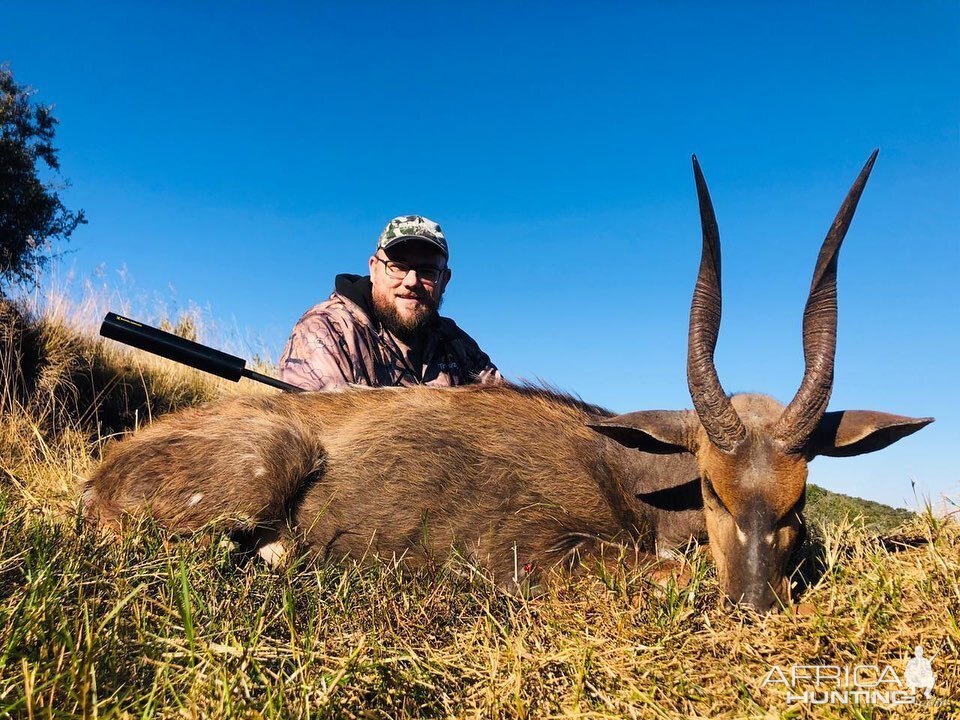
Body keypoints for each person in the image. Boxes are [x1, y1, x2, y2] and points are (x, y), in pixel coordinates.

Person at [279, 215, 500, 391]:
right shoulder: (328, 331)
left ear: (444, 280)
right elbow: (325, 431)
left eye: (427, 272)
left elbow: (505, 413)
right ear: (374, 269)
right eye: (398, 266)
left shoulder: (456, 343)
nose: (411, 281)